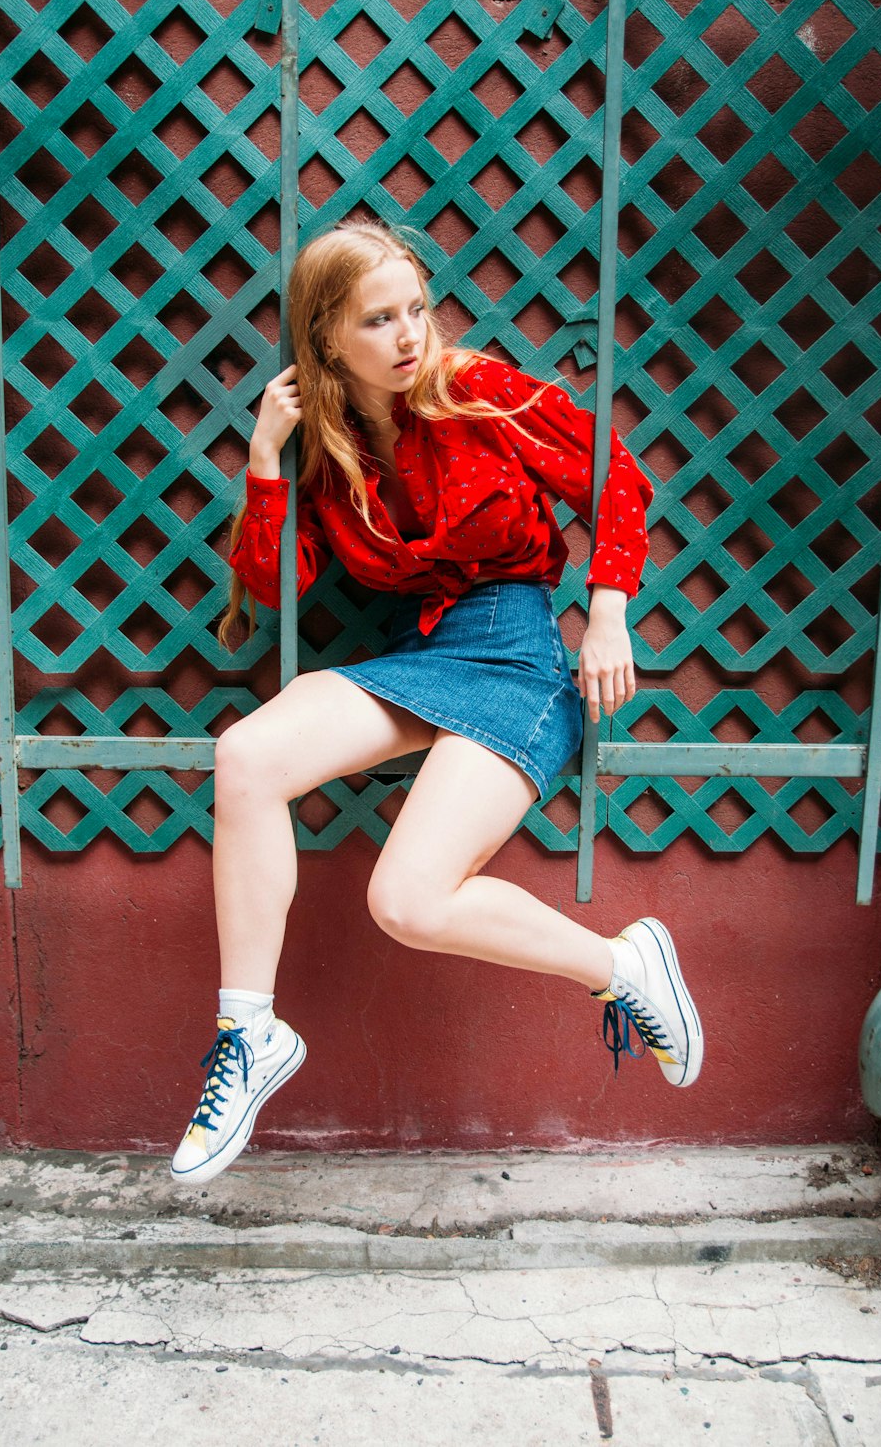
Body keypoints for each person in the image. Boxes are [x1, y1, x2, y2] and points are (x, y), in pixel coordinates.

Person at [170, 219, 703, 1185]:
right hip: (419, 657)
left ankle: (622, 968)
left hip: (520, 660)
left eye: (416, 307)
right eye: (380, 319)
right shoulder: (330, 450)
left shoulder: (475, 388)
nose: (411, 334)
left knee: (406, 902)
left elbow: (614, 475)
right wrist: (263, 457)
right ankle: (248, 1035)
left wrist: (610, 612)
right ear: (327, 338)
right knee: (244, 756)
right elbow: (279, 585)